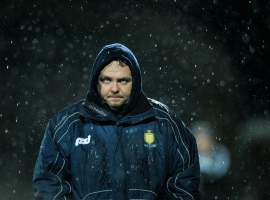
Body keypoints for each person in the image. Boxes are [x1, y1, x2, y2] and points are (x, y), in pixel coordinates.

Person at [33, 43, 200, 199]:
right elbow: (49, 183)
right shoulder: (67, 125)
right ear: (95, 82)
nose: (114, 88)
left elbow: (185, 184)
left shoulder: (165, 123)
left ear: (135, 82)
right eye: (106, 80)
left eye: (123, 81)